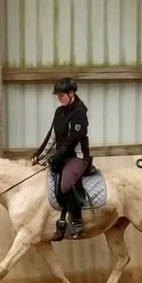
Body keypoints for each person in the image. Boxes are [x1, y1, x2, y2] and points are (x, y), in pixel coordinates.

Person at [31, 77, 94, 240]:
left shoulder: (80, 112)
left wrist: (56, 156)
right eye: (58, 96)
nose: (60, 99)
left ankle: (77, 221)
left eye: (62, 96)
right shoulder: (59, 112)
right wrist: (39, 154)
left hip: (77, 157)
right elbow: (52, 136)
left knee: (66, 185)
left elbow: (72, 140)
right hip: (62, 156)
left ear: (71, 93)